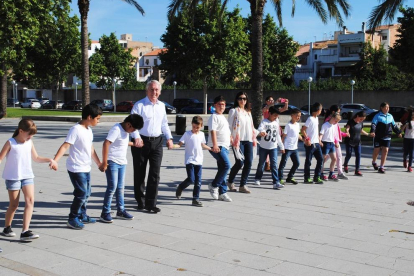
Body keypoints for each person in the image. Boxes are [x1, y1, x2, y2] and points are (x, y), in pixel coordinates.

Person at [0, 119, 57, 241]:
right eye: (29, 134)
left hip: (27, 176)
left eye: (32, 135)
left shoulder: (29, 142)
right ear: (21, 131)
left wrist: (50, 160)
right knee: (14, 205)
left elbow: (36, 158)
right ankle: (7, 228)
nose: (30, 137)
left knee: (30, 201)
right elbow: (0, 158)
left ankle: (25, 231)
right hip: (13, 177)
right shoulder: (10, 143)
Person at [52, 104, 103, 229]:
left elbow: (91, 149)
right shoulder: (75, 129)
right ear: (89, 117)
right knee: (81, 193)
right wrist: (55, 161)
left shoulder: (88, 130)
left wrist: (98, 163)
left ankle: (82, 214)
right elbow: (65, 145)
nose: (99, 121)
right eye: (98, 118)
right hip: (76, 167)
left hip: (86, 167)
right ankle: (72, 217)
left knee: (87, 193)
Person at [130, 80, 173, 213]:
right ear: (147, 90)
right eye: (152, 89)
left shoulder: (161, 106)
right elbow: (132, 124)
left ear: (160, 92)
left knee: (155, 173)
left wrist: (169, 138)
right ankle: (140, 201)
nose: (154, 92)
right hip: (141, 142)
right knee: (140, 173)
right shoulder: (139, 105)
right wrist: (136, 137)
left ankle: (151, 203)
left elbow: (164, 123)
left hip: (157, 142)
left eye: (156, 90)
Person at [99, 114, 144, 223]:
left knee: (120, 187)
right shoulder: (116, 129)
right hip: (112, 162)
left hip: (122, 162)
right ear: (128, 124)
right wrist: (104, 162)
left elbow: (121, 142)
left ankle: (121, 210)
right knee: (112, 187)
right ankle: (105, 212)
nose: (133, 131)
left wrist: (134, 144)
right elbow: (106, 143)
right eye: (133, 129)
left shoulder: (126, 130)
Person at [174, 116, 212, 207]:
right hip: (190, 160)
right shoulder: (187, 134)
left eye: (197, 127)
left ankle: (195, 199)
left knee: (198, 181)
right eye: (194, 127)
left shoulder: (202, 134)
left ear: (201, 126)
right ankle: (180, 187)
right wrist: (173, 146)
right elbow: (180, 144)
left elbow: (203, 145)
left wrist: (211, 148)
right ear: (191, 125)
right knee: (191, 179)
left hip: (199, 160)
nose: (195, 129)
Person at [227, 92, 257, 194]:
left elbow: (251, 127)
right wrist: (230, 137)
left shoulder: (248, 112)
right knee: (240, 162)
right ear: (237, 99)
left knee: (248, 162)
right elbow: (229, 126)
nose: (242, 100)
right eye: (240, 98)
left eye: (244, 98)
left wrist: (259, 133)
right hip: (238, 141)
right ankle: (230, 182)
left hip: (248, 140)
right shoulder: (234, 111)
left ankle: (242, 185)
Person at [207, 95, 232, 202]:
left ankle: (223, 192)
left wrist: (231, 138)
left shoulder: (223, 117)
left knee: (223, 169)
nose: (222, 106)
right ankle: (214, 185)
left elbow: (225, 130)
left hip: (225, 146)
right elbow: (213, 131)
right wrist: (215, 145)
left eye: (223, 104)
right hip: (217, 146)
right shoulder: (214, 116)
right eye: (219, 104)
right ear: (215, 105)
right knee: (227, 166)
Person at [254, 106, 285, 189]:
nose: (275, 117)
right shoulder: (264, 122)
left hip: (273, 147)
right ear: (270, 114)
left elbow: (278, 135)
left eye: (277, 116)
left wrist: (281, 146)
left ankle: (276, 182)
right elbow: (260, 128)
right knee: (261, 163)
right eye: (274, 115)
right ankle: (257, 178)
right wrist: (262, 132)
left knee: (274, 165)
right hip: (263, 147)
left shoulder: (276, 123)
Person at [370, 102, 402, 173]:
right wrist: (372, 131)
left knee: (385, 150)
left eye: (388, 107)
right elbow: (373, 124)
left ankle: (381, 167)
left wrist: (398, 132)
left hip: (387, 136)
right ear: (382, 108)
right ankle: (374, 161)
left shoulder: (390, 116)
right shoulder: (377, 116)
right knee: (376, 151)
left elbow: (394, 126)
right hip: (378, 136)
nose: (387, 109)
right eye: (386, 107)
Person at [262, 96, 288, 171]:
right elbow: (266, 108)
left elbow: (285, 109)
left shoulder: (276, 110)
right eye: (269, 100)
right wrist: (275, 102)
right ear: (266, 101)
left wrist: (286, 103)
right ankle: (267, 163)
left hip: (276, 129)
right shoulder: (266, 109)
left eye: (272, 100)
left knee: (273, 146)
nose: (271, 101)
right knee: (268, 146)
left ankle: (269, 163)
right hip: (268, 130)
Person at [324, 105, 349, 180]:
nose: (339, 113)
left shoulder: (334, 120)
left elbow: (337, 132)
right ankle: (339, 172)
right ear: (333, 112)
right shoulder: (329, 121)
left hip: (335, 141)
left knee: (331, 157)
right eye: (338, 112)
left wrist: (344, 134)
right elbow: (332, 133)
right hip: (332, 142)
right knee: (337, 157)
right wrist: (336, 142)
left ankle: (321, 168)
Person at [278, 108, 302, 185]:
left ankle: (290, 177)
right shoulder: (288, 125)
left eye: (299, 116)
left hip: (295, 148)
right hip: (287, 148)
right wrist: (282, 146)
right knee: (283, 164)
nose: (298, 117)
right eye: (297, 116)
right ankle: (280, 178)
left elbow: (298, 135)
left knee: (297, 163)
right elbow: (283, 136)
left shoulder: (298, 125)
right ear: (292, 115)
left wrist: (304, 140)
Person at [302, 102, 324, 184]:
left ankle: (317, 176)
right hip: (310, 144)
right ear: (317, 110)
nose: (321, 111)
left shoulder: (316, 118)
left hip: (316, 143)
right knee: (308, 161)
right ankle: (307, 178)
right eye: (321, 110)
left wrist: (319, 140)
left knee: (320, 159)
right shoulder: (310, 119)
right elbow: (303, 130)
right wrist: (307, 139)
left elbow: (316, 131)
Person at [343, 111, 370, 176]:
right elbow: (347, 128)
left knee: (358, 155)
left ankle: (357, 170)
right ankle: (345, 164)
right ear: (357, 116)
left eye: (363, 119)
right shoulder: (350, 121)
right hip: (349, 141)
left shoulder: (361, 123)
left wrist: (368, 134)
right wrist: (347, 132)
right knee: (348, 154)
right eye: (361, 119)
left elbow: (361, 130)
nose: (361, 120)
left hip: (357, 141)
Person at [320, 113, 341, 182]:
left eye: (337, 121)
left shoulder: (333, 125)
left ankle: (331, 174)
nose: (336, 123)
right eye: (336, 121)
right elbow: (321, 134)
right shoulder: (325, 125)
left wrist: (336, 142)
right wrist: (320, 141)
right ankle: (321, 173)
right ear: (332, 118)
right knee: (323, 159)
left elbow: (333, 135)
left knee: (334, 159)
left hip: (331, 143)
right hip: (325, 143)